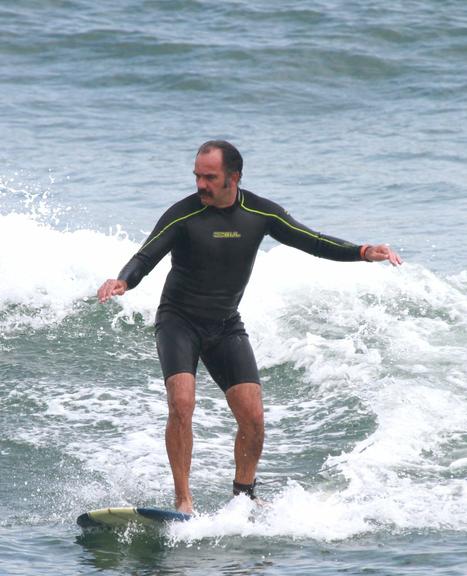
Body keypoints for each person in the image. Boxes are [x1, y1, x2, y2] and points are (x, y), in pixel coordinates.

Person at [97, 140, 402, 514]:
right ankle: (183, 501)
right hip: (179, 321)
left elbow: (312, 241)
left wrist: (362, 252)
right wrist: (124, 281)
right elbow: (147, 255)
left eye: (209, 177)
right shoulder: (182, 214)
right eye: (197, 176)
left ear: (234, 177)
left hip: (225, 325)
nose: (200, 184)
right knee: (181, 403)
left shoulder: (261, 213)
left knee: (253, 418)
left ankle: (244, 497)